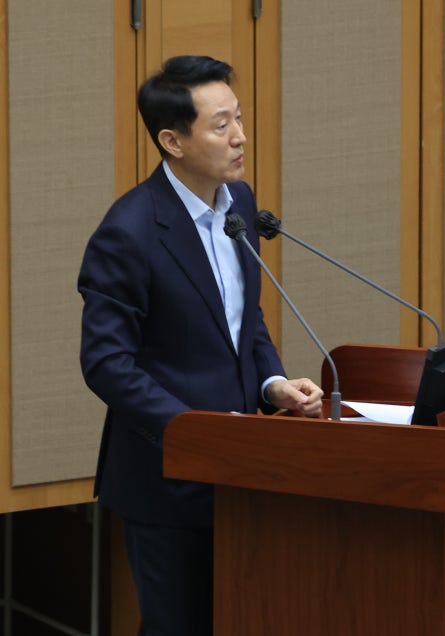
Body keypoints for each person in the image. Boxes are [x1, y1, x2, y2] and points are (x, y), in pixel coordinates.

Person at [78, 55, 324, 636]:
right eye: (220, 125)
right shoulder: (129, 232)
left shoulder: (237, 204)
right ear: (173, 140)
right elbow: (106, 365)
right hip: (170, 481)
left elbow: (244, 321)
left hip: (244, 472)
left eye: (238, 118)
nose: (240, 137)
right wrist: (194, 433)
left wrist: (272, 383)